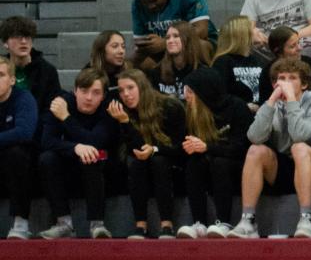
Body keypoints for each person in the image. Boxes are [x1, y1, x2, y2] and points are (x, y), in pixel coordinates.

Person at [228, 56, 311, 240]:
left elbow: (300, 135)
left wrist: (291, 99)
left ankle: (306, 220)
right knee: (255, 150)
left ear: (304, 84)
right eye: (281, 78)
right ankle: (248, 220)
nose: (285, 83)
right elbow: (254, 136)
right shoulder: (273, 103)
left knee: (299, 148)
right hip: (284, 166)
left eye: (292, 78)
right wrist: (270, 103)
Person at [36, 69, 120, 240]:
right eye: (84, 91)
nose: (88, 97)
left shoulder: (108, 109)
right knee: (47, 158)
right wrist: (75, 147)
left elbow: (95, 142)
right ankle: (64, 224)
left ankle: (97, 224)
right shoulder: (61, 103)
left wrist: (66, 118)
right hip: (67, 163)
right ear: (75, 91)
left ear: (103, 96)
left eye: (95, 93)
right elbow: (46, 141)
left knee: (92, 156)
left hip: (102, 168)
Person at [108, 68, 186, 240]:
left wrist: (155, 150)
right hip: (140, 159)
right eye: (121, 90)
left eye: (130, 88)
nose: (126, 94)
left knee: (158, 161)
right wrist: (125, 123)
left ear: (142, 87)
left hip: (171, 158)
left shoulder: (169, 107)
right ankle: (140, 225)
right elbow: (135, 148)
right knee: (136, 162)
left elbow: (178, 147)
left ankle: (167, 225)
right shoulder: (122, 112)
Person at [180, 68, 253, 239]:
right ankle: (199, 223)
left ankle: (224, 221)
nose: (186, 97)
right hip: (211, 162)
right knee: (194, 162)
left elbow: (243, 147)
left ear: (204, 92)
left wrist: (207, 147)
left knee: (220, 162)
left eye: (190, 92)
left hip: (239, 164)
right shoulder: (192, 112)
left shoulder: (237, 107)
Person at [129, 0, 215, 69]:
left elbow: (202, 31)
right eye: (145, 3)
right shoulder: (137, 2)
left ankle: (201, 79)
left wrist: (165, 43)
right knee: (135, 61)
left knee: (201, 46)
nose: (150, 6)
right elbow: (141, 43)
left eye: (154, 0)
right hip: (161, 52)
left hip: (194, 44)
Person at [0, 57, 38, 239]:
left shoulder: (23, 98)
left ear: (12, 80)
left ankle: (21, 222)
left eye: (1, 75)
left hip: (22, 163)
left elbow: (24, 132)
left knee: (15, 154)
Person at [1, 15, 61, 111]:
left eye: (27, 37)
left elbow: (51, 110)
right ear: (5, 42)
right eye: (17, 37)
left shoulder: (47, 71)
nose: (24, 41)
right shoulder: (1, 69)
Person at [256, 27, 311, 102]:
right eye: (293, 46)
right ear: (278, 51)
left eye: (299, 43)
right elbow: (265, 103)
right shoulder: (268, 71)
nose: (299, 48)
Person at [210, 15, 263, 105]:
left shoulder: (256, 59)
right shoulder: (222, 62)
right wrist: (244, 107)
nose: (259, 30)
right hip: (236, 115)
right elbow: (220, 96)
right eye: (254, 28)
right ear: (242, 33)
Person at [155, 21, 213, 101]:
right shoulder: (157, 72)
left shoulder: (203, 74)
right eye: (167, 37)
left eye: (176, 36)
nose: (170, 41)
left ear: (188, 39)